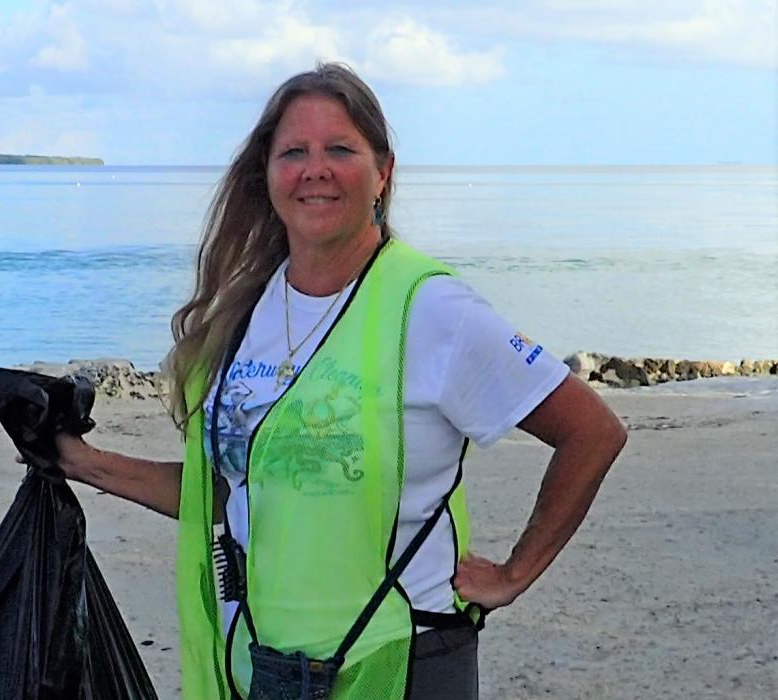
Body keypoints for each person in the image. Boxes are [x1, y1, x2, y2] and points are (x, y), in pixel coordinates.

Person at [51, 63, 627, 699]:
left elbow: (591, 432)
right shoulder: (247, 314)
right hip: (261, 667)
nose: (314, 168)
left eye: (340, 149)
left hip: (398, 661)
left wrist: (516, 572)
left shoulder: (431, 309)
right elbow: (227, 495)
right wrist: (80, 460)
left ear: (382, 171)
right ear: (266, 175)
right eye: (293, 151)